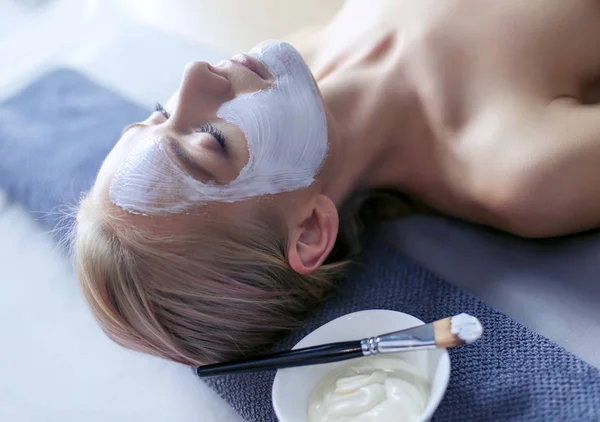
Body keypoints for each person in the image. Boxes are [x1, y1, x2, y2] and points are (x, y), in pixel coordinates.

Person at [73, 0, 600, 365]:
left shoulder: (297, 54)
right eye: (211, 140)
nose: (195, 75)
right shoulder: (517, 169)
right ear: (309, 233)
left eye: (160, 113)